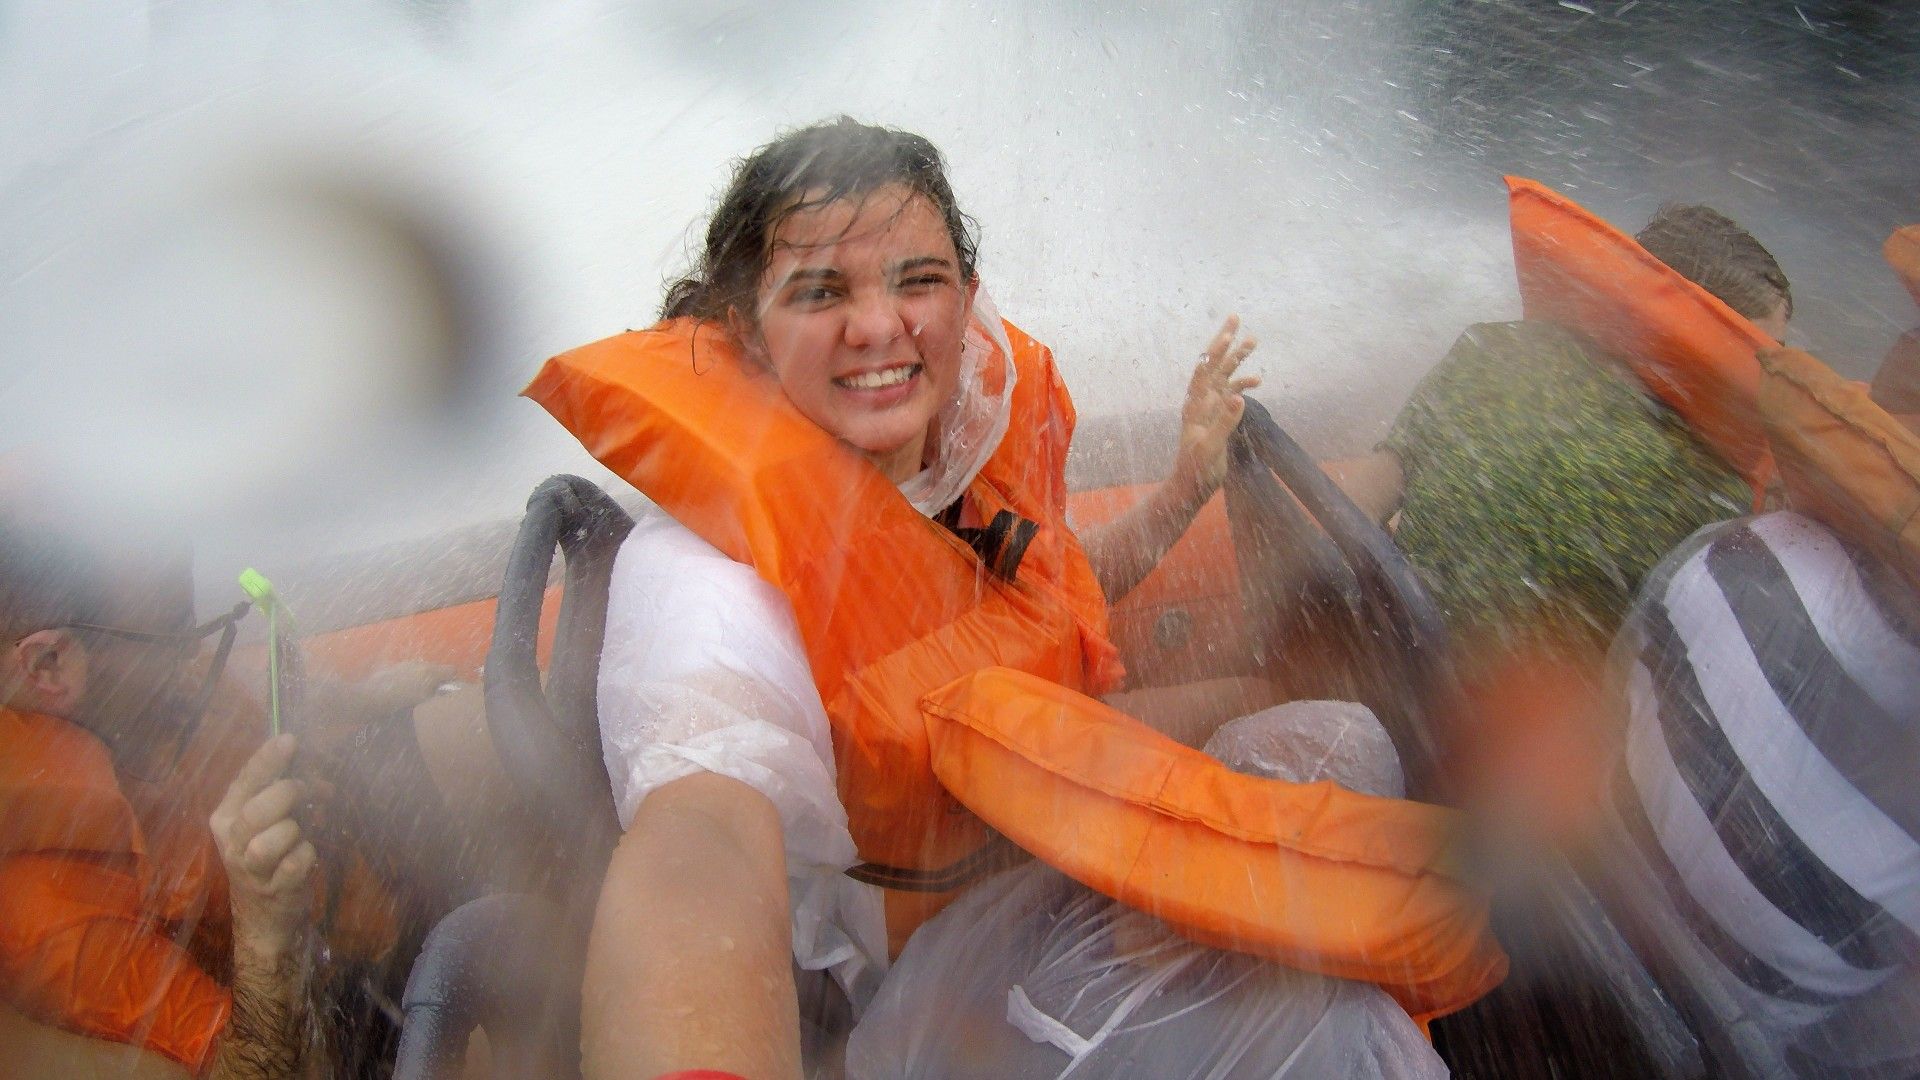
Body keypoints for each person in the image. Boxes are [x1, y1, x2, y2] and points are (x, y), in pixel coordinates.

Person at [528, 117, 1504, 1074]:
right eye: (821, 292)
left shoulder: (950, 458)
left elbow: (1049, 599)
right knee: (1338, 1026)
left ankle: (1194, 956)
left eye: (917, 280)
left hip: (1030, 845)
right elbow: (703, 846)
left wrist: (1183, 489)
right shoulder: (704, 578)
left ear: (965, 296)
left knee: (1335, 738)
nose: (879, 326)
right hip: (928, 981)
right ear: (744, 325)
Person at [0, 496, 459, 1078]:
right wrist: (266, 931)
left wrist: (359, 698)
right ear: (47, 665)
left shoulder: (131, 703)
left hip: (383, 916)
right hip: (340, 1028)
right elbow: (280, 1073)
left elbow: (247, 706)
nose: (194, 654)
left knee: (466, 724)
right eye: (176, 634)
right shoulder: (53, 923)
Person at [1327, 200, 1795, 649]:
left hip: (1384, 642)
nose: (1770, 381)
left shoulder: (1494, 349)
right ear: (1705, 342)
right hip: (1494, 700)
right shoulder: (1710, 494)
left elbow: (1372, 489)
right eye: (1759, 356)